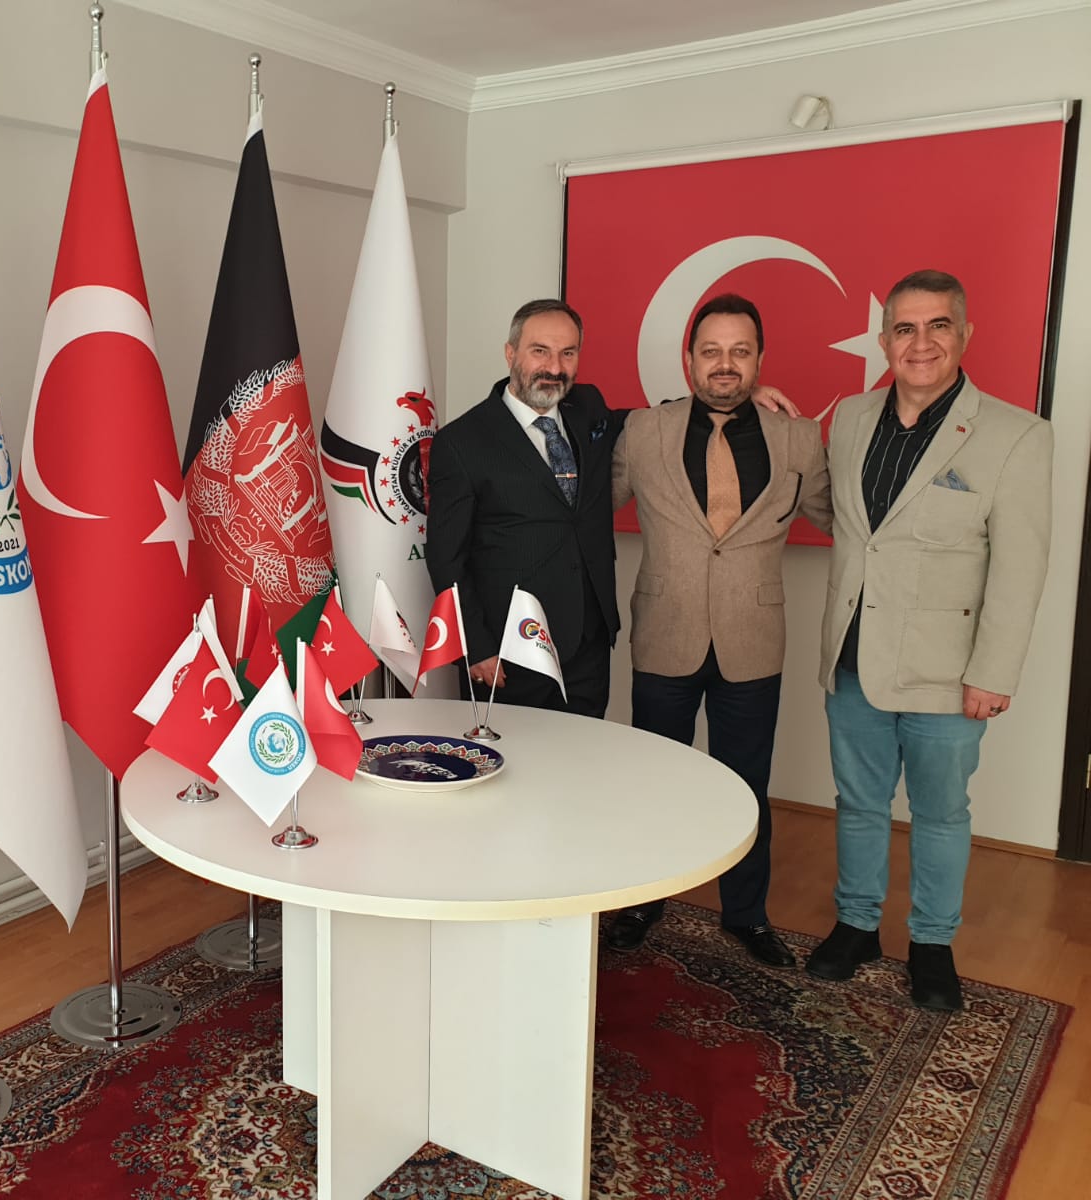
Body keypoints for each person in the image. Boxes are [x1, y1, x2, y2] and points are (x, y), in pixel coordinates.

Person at [806, 269, 1052, 1011]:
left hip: (950, 672)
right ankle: (857, 925)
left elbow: (1020, 567)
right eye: (905, 328)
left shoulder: (1016, 435)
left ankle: (932, 942)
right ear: (884, 340)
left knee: (941, 812)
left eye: (938, 325)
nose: (921, 343)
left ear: (964, 334)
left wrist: (994, 672)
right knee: (858, 801)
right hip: (854, 654)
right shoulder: (851, 416)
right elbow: (850, 523)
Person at [605, 294, 831, 965]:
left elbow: (842, 515)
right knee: (656, 779)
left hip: (752, 640)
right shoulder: (644, 430)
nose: (725, 364)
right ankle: (643, 900)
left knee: (747, 783)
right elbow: (588, 500)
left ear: (759, 360)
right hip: (664, 634)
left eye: (739, 352)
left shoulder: (798, 438)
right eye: (711, 351)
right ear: (689, 360)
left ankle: (747, 915)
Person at [427, 299, 623, 717]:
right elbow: (446, 558)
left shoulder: (588, 408)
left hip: (587, 646)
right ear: (510, 352)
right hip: (506, 652)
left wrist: (742, 396)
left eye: (568, 353)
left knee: (589, 752)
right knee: (509, 756)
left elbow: (646, 423)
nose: (555, 367)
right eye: (540, 351)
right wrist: (476, 646)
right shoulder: (461, 442)